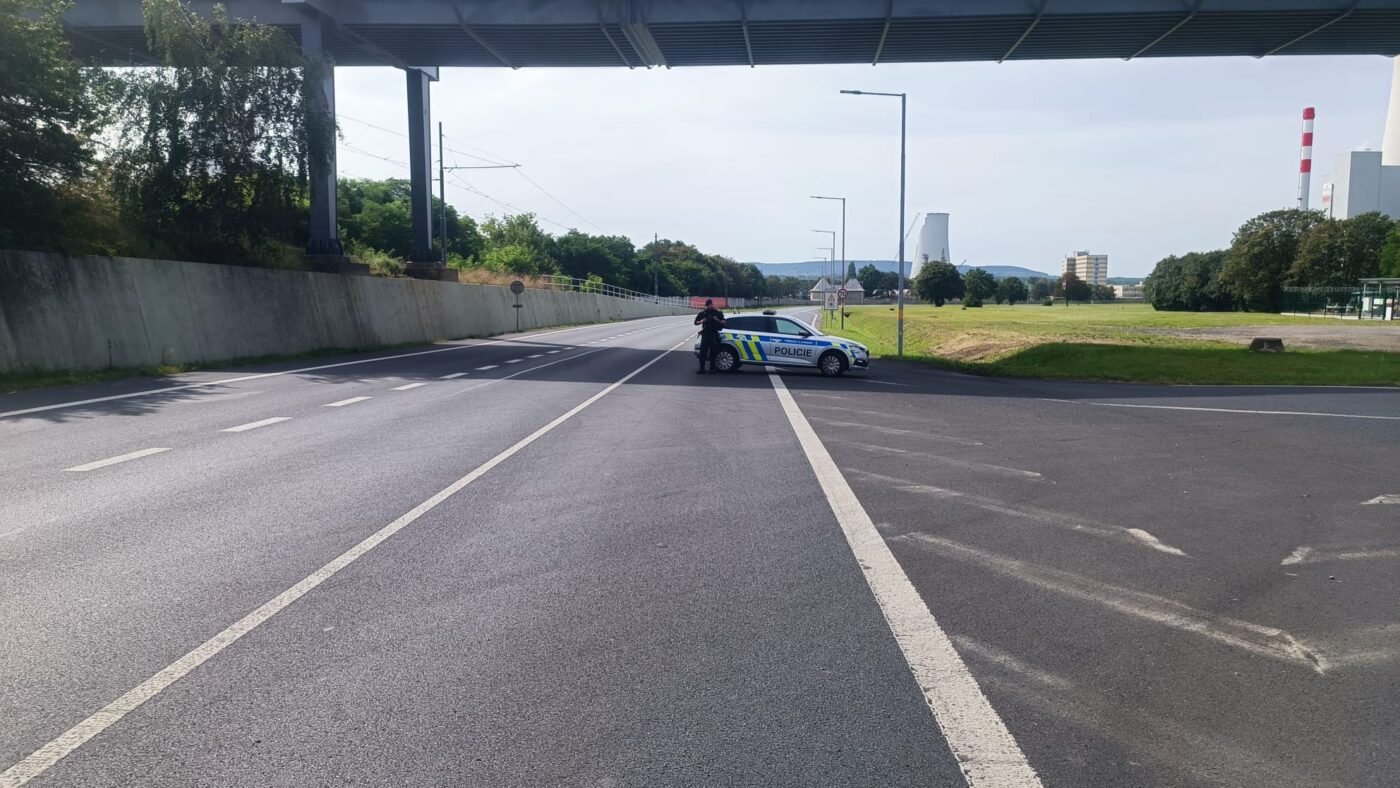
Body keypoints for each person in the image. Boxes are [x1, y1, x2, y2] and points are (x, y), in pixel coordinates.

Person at [693, 299, 726, 374]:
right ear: (707, 306)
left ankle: (712, 368)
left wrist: (718, 320)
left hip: (714, 334)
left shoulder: (717, 313)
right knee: (703, 352)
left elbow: (724, 322)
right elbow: (695, 322)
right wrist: (702, 321)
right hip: (706, 334)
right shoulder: (703, 313)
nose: (711, 306)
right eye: (709, 305)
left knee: (714, 352)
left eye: (712, 305)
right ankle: (702, 368)